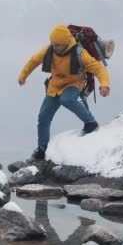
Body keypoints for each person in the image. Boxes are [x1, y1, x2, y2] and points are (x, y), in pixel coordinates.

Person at [18, 24, 111, 161]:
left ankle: (91, 123)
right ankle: (41, 150)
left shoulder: (79, 53)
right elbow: (33, 61)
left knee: (66, 99)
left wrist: (105, 85)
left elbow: (98, 69)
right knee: (43, 117)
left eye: (58, 45)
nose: (54, 47)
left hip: (75, 82)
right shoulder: (49, 50)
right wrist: (22, 76)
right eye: (53, 44)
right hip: (55, 85)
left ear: (67, 43)